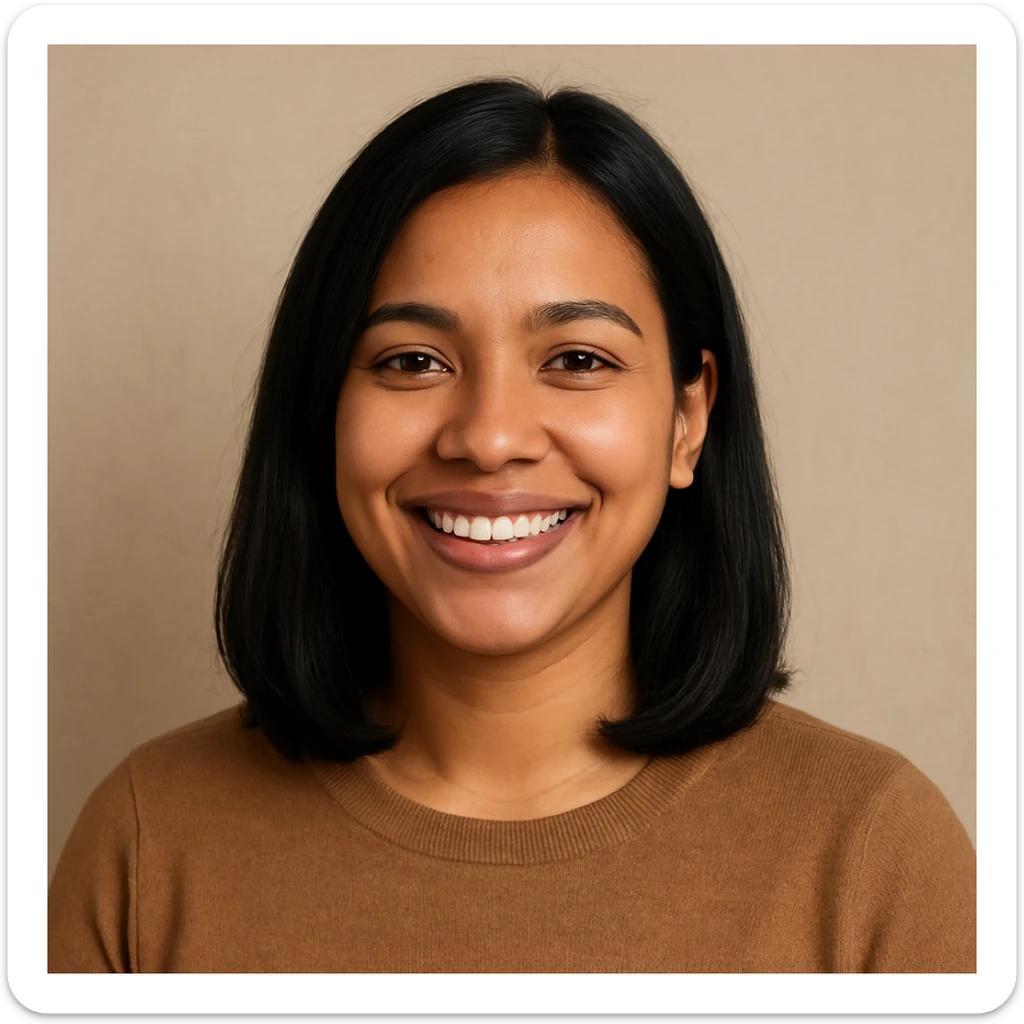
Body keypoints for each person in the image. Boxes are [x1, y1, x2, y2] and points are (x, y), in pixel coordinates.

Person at [48, 76, 975, 973]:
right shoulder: (148, 845)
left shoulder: (872, 856)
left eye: (576, 357)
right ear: (323, 409)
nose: (489, 438)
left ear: (688, 422)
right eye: (412, 360)